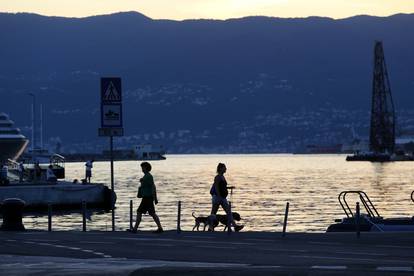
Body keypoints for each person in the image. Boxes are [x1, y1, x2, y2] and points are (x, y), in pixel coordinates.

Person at [130, 162, 163, 233]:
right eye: (142, 167)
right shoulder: (145, 176)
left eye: (143, 167)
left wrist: (155, 198)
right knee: (150, 213)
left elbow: (153, 187)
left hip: (148, 198)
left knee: (143, 212)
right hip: (145, 198)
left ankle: (135, 229)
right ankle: (159, 228)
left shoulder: (149, 176)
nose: (142, 169)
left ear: (146, 168)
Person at [209, 163, 243, 232]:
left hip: (222, 197)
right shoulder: (217, 177)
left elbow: (222, 187)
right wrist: (219, 196)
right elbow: (216, 186)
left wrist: (229, 188)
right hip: (218, 197)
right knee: (213, 213)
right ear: (221, 168)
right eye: (224, 167)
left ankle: (235, 226)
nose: (226, 169)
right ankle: (210, 227)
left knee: (228, 212)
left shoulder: (222, 176)